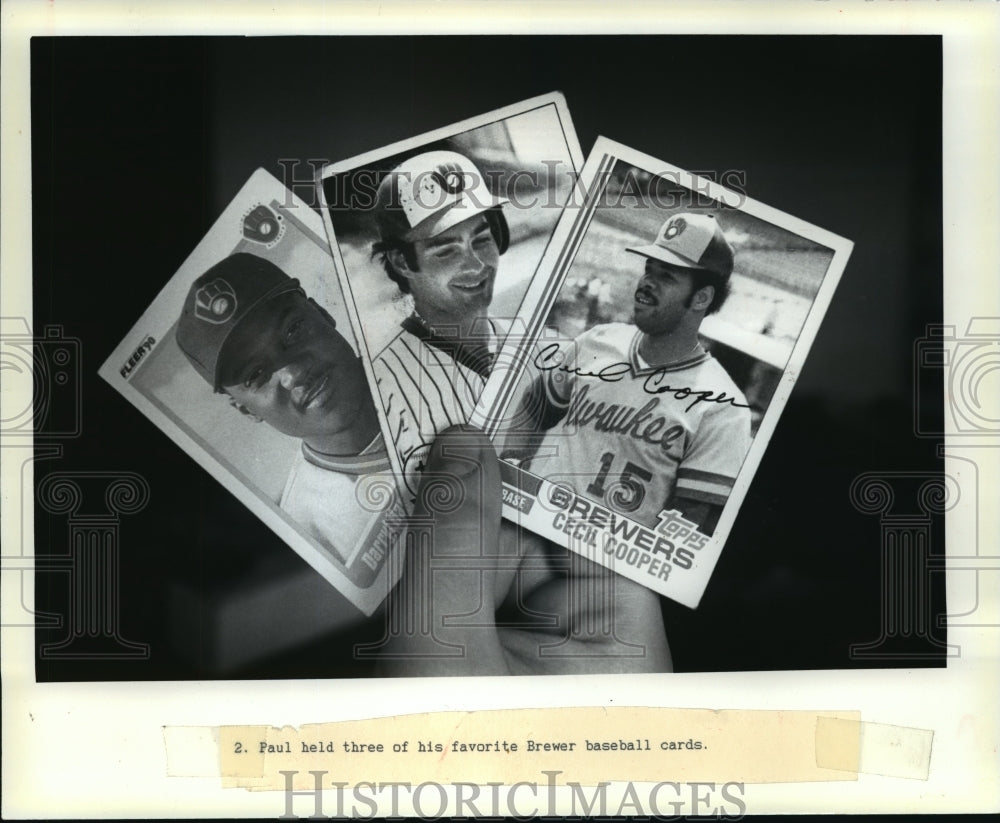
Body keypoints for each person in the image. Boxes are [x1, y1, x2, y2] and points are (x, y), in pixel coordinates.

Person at [516, 212, 752, 536]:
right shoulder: (598, 341)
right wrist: (514, 473)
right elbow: (534, 404)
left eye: (666, 276)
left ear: (701, 297)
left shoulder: (723, 408)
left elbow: (691, 523)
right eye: (648, 270)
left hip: (602, 565)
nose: (646, 283)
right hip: (530, 527)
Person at [175, 252, 393, 585]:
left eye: (292, 331)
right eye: (257, 374)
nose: (293, 372)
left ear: (320, 313)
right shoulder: (304, 532)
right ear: (245, 409)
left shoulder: (437, 349)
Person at [369, 149, 511, 492]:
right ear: (402, 263)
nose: (476, 264)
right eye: (446, 250)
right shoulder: (383, 392)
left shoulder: (537, 344)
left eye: (481, 239)